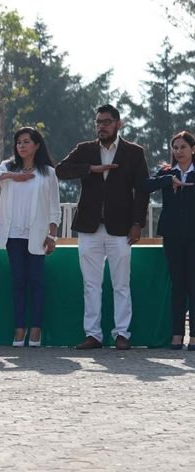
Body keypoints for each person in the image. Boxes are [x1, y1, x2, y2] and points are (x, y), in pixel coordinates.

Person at [56, 104, 149, 350]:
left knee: (121, 284)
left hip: (121, 228)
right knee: (91, 284)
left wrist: (137, 223)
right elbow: (60, 170)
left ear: (118, 123)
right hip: (89, 227)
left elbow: (142, 191)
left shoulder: (134, 152)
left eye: (107, 122)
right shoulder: (85, 149)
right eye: (98, 122)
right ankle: (93, 335)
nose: (101, 126)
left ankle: (122, 334)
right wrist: (90, 169)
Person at [0, 127, 61, 347]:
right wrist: (13, 176)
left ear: (37, 145)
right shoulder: (9, 167)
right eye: (18, 142)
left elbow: (54, 207)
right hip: (13, 234)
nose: (22, 146)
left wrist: (52, 235)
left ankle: (36, 329)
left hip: (37, 234)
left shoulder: (48, 173)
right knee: (18, 281)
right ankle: (19, 329)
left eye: (26, 142)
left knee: (36, 281)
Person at [142, 131, 195, 350]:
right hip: (173, 235)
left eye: (183, 147)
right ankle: (176, 334)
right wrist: (167, 180)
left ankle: (194, 337)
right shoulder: (167, 172)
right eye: (175, 147)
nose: (178, 151)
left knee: (193, 284)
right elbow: (145, 185)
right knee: (177, 285)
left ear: (192, 149)